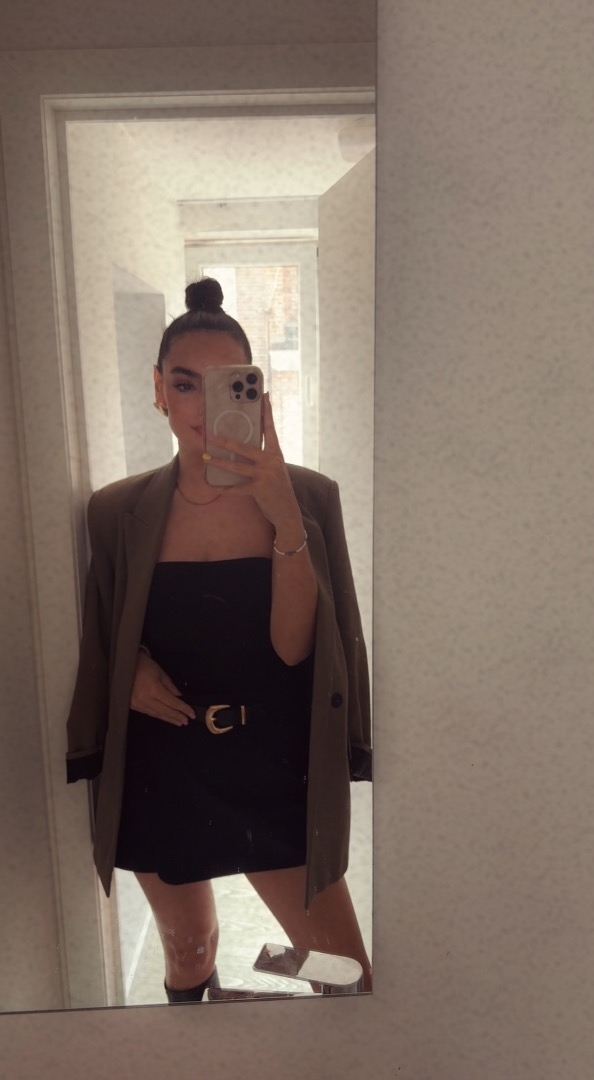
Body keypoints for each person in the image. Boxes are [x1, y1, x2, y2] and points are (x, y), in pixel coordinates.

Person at [66, 277, 372, 1002]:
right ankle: (205, 1029)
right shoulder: (116, 511)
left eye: (225, 385)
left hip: (271, 764)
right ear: (158, 391)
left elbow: (294, 650)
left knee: (344, 975)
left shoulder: (309, 495)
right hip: (162, 762)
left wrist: (284, 518)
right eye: (184, 385)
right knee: (189, 946)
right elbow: (105, 629)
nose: (203, 408)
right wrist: (128, 671)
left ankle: (266, 975)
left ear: (256, 394)